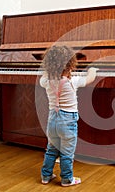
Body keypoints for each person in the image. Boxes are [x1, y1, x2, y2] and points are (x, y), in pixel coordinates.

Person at [40, 45, 98, 187]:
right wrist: (92, 70)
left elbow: (44, 77)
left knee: (51, 150)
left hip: (52, 120)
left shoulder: (46, 80)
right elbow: (90, 79)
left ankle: (46, 176)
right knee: (67, 153)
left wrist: (50, 71)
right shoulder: (73, 81)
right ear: (70, 65)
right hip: (68, 122)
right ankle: (66, 179)